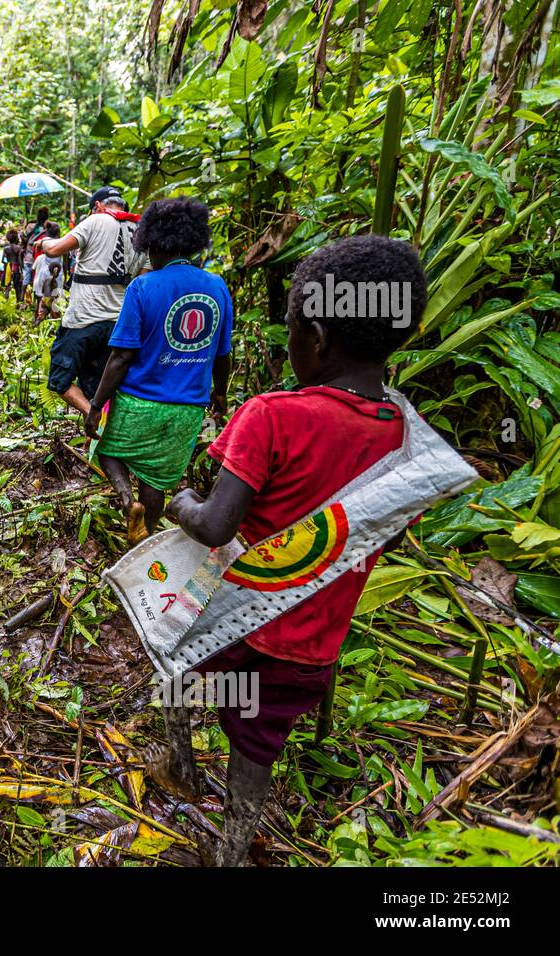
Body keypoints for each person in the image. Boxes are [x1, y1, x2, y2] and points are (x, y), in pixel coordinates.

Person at [155, 234, 428, 866]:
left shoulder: (272, 415)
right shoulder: (405, 438)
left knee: (175, 669)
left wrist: (181, 502)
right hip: (313, 648)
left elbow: (217, 525)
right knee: (258, 742)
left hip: (235, 624)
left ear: (318, 337)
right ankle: (231, 847)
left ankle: (179, 765)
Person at [84, 197, 232, 542]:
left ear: (152, 243)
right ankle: (145, 536)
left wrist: (95, 404)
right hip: (188, 409)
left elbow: (121, 357)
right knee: (156, 477)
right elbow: (223, 355)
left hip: (139, 401)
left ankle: (126, 501)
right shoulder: (217, 287)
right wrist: (219, 393)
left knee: (104, 450)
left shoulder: (143, 286)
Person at [38, 186, 149, 415]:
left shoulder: (95, 221)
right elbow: (142, 282)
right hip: (119, 324)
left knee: (60, 381)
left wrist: (44, 242)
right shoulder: (141, 233)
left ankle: (92, 416)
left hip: (83, 320)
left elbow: (55, 249)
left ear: (97, 206)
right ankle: (100, 432)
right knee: (102, 386)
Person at [31, 223, 65, 322]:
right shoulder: (61, 242)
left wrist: (42, 235)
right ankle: (52, 321)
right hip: (56, 272)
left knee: (40, 298)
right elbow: (66, 262)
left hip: (44, 272)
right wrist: (66, 277)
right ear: (58, 232)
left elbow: (32, 242)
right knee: (54, 300)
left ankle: (36, 318)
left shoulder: (45, 242)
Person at [1, 229, 24, 302]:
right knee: (17, 286)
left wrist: (5, 268)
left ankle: (6, 301)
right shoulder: (18, 248)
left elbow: (2, 260)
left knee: (7, 286)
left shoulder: (6, 248)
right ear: (16, 238)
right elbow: (20, 261)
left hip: (8, 267)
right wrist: (22, 271)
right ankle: (18, 302)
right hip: (16, 267)